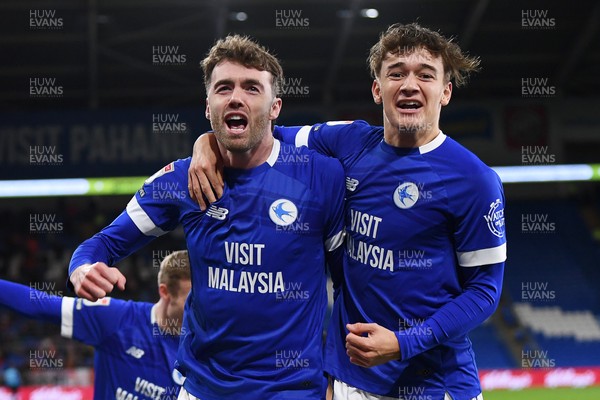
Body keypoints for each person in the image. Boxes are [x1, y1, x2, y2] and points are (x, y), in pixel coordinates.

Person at [189, 23, 506, 400]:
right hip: (352, 379)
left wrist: (404, 342)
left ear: (445, 92)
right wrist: (205, 142)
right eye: (396, 73)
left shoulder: (473, 179)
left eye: (425, 75)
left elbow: (485, 290)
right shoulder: (347, 141)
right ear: (377, 89)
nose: (409, 85)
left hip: (436, 383)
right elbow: (257, 132)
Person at [69, 35, 346, 400]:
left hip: (292, 392)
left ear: (275, 106)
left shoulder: (322, 177)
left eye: (251, 88)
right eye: (224, 87)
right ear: (208, 106)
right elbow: (102, 244)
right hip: (203, 390)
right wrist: (82, 267)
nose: (236, 97)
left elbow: (347, 284)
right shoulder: (181, 180)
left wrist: (336, 374)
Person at [0, 250, 191, 400]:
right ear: (165, 292)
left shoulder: (204, 348)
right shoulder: (116, 318)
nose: (201, 307)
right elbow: (41, 305)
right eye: (191, 299)